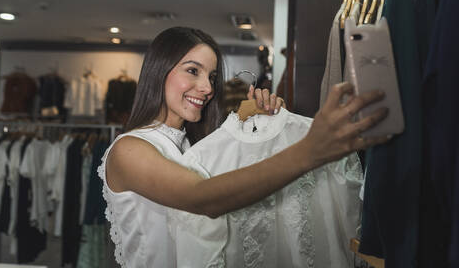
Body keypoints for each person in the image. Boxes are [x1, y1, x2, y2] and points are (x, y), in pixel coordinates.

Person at [99, 27, 389, 267]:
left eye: (211, 77)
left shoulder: (195, 146)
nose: (207, 88)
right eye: (192, 71)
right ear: (159, 71)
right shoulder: (129, 150)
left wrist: (263, 128)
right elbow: (202, 199)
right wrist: (308, 151)